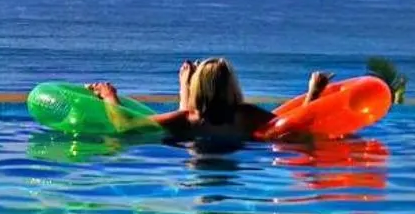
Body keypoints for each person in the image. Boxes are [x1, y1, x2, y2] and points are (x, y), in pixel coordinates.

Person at [87, 58, 330, 155]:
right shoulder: (244, 115)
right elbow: (291, 127)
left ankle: (185, 84)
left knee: (180, 131)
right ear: (232, 86)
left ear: (197, 88)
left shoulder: (187, 119)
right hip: (237, 164)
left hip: (190, 163)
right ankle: (184, 84)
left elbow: (125, 126)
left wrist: (109, 95)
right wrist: (314, 93)